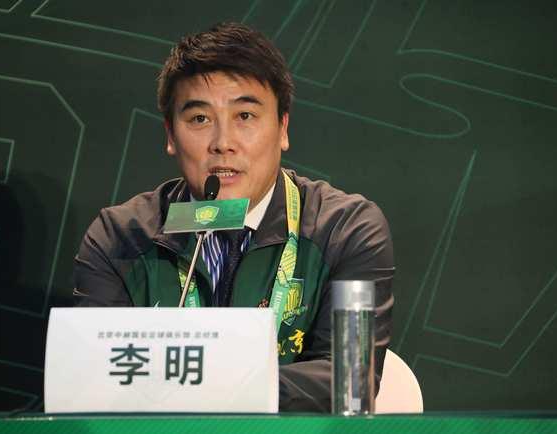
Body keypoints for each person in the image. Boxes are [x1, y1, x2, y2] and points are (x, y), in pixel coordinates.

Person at [73, 22, 394, 412]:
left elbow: (351, 382)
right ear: (170, 135)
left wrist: (204, 379)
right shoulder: (119, 238)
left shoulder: (347, 229)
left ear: (283, 128)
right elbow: (94, 383)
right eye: (200, 119)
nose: (223, 143)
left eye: (245, 115)